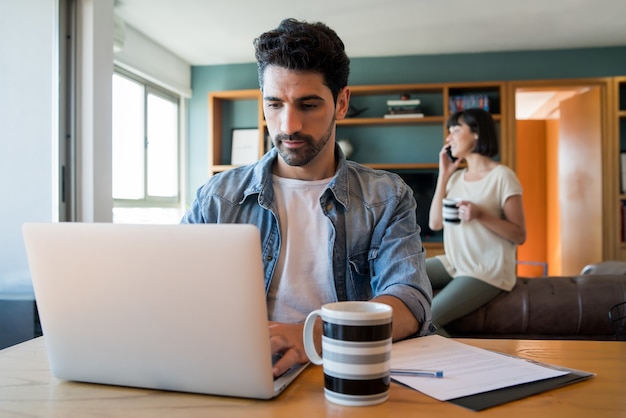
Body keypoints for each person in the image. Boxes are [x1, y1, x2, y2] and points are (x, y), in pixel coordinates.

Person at [181, 18, 432, 378]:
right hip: (243, 370)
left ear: (341, 103)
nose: (288, 125)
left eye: (308, 105)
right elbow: (176, 290)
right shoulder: (217, 198)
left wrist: (316, 334)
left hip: (346, 370)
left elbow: (409, 302)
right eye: (275, 105)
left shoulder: (386, 197)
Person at [427, 108, 526, 335]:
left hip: (487, 269)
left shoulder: (502, 176)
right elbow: (435, 224)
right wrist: (443, 175)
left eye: (455, 130)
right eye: (448, 131)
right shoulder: (456, 177)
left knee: (430, 318)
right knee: (400, 275)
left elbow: (520, 235)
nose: (449, 138)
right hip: (454, 262)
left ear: (476, 134)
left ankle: (463, 368)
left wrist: (481, 215)